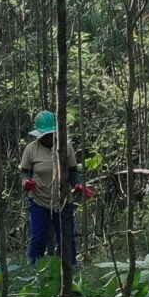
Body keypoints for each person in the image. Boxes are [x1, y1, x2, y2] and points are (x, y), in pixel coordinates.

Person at [20, 110, 92, 267]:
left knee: (67, 240)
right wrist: (26, 181)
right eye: (45, 135)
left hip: (63, 201)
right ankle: (34, 273)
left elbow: (73, 171)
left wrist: (78, 185)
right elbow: (24, 171)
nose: (49, 137)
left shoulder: (66, 147)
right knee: (38, 239)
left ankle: (70, 272)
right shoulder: (31, 149)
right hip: (39, 201)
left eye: (51, 134)